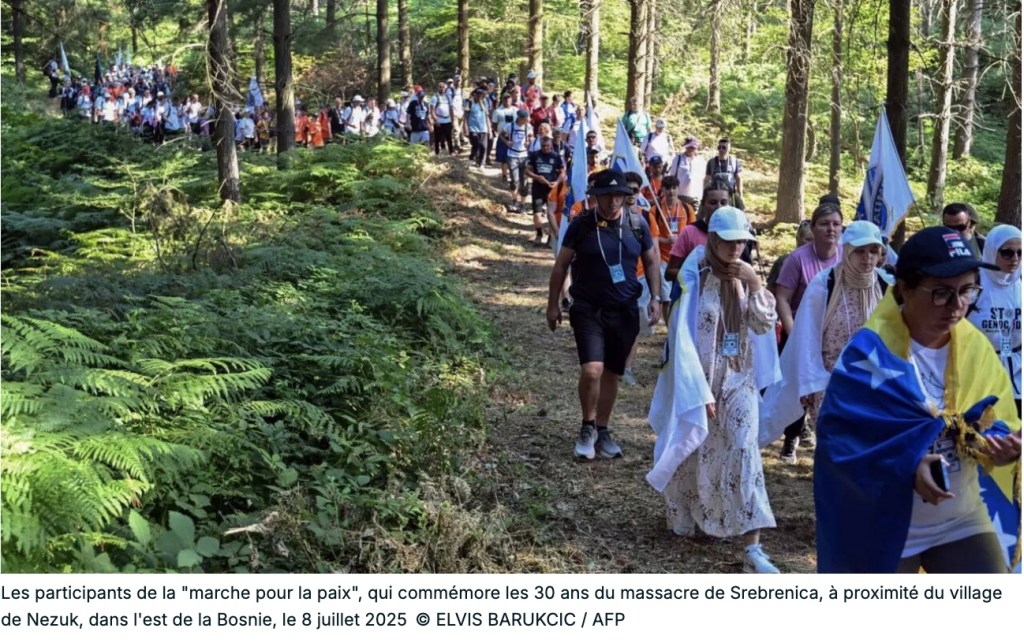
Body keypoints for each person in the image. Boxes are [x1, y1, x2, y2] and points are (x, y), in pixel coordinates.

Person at [814, 226, 1021, 573]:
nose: (957, 306)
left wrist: (1004, 447)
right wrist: (907, 464)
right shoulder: (868, 354)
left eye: (967, 291)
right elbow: (839, 444)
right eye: (941, 293)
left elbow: (999, 421)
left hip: (964, 519)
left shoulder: (975, 348)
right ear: (905, 289)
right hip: (887, 521)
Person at [647, 206, 782, 573]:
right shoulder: (695, 275)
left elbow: (761, 325)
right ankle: (696, 514)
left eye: (742, 241)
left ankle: (753, 547)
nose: (736, 248)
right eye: (729, 241)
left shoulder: (746, 276)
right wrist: (697, 391)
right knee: (698, 448)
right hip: (701, 381)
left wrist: (755, 285)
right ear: (715, 240)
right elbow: (681, 338)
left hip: (739, 378)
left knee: (742, 449)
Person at [547, 169, 662, 460]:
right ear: (596, 197)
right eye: (606, 196)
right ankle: (587, 426)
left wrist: (657, 298)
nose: (613, 201)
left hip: (624, 310)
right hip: (588, 308)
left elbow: (651, 261)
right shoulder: (581, 225)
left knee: (612, 372)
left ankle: (603, 428)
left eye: (618, 195)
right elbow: (561, 265)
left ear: (625, 197)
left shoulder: (637, 223)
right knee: (592, 370)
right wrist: (552, 304)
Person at [761, 221, 888, 460]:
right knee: (833, 448)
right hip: (828, 382)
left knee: (865, 448)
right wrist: (808, 383)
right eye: (860, 250)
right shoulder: (824, 284)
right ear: (847, 249)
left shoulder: (885, 286)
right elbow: (806, 338)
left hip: (871, 382)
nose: (867, 258)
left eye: (873, 251)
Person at [773, 199, 843, 461]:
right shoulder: (797, 259)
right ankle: (790, 439)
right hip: (800, 334)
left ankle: (829, 444)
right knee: (799, 390)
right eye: (824, 224)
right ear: (813, 228)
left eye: (836, 224)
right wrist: (794, 335)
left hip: (834, 338)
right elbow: (782, 298)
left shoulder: (847, 255)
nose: (831, 229)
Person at [968, 225, 1022, 415]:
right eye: (1007, 252)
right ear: (992, 250)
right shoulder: (975, 282)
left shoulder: (1020, 282)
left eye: (1020, 252)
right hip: (980, 371)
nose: (1015, 259)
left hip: (1017, 370)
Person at [663, 179, 735, 284]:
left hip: (728, 297)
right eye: (713, 202)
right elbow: (669, 273)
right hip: (694, 297)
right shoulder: (690, 232)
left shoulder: (736, 234)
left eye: (723, 202)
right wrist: (699, 274)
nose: (718, 207)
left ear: (730, 203)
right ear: (703, 204)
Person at [525, 136, 566, 246]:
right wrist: (537, 177)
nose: (546, 148)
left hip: (551, 190)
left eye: (548, 146)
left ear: (551, 145)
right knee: (537, 214)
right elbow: (527, 171)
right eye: (543, 146)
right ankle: (539, 234)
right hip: (537, 188)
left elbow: (562, 172)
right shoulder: (534, 155)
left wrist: (557, 182)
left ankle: (550, 237)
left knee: (551, 214)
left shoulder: (556, 156)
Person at [502, 108, 533, 213]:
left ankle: (523, 204)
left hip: (524, 155)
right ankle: (514, 200)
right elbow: (501, 134)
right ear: (519, 118)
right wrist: (507, 142)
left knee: (524, 181)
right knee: (515, 180)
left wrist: (528, 141)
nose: (526, 120)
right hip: (512, 155)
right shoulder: (510, 126)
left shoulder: (528, 127)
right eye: (524, 118)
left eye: (526, 118)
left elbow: (531, 136)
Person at [704, 137, 744, 209]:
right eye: (719, 147)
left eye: (724, 147)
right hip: (716, 196)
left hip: (730, 195)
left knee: (741, 209)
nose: (721, 150)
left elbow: (739, 178)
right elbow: (707, 179)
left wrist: (740, 194)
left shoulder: (734, 161)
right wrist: (704, 194)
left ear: (729, 148)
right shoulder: (712, 162)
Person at [667, 137, 705, 211]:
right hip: (681, 195)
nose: (691, 149)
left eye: (693, 147)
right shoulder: (678, 159)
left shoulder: (701, 161)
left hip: (696, 197)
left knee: (694, 220)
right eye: (689, 147)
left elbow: (704, 178)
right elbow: (672, 177)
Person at [491, 93, 515, 182]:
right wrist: (499, 133)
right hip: (503, 137)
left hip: (513, 136)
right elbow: (494, 124)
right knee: (504, 157)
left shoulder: (515, 110)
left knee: (513, 157)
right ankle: (504, 175)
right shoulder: (498, 111)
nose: (507, 101)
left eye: (509, 99)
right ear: (503, 100)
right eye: (505, 99)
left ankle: (513, 175)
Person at [431, 82, 455, 155]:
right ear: (438, 88)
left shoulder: (448, 97)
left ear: (445, 88)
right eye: (440, 87)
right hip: (439, 120)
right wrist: (435, 120)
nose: (442, 88)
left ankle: (451, 152)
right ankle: (437, 153)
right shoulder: (435, 97)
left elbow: (451, 109)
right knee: (437, 138)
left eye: (443, 87)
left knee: (449, 138)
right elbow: (432, 110)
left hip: (447, 120)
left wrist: (452, 120)